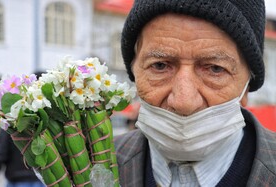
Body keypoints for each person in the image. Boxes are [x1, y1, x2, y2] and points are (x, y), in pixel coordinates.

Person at [115, 0, 276, 186]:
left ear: (247, 86)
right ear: (135, 72)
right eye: (159, 66)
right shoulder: (88, 165)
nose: (184, 102)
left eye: (215, 69)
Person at [0, 74, 45, 187]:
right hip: (45, 180)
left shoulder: (12, 115)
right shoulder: (49, 118)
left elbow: (0, 152)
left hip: (17, 180)